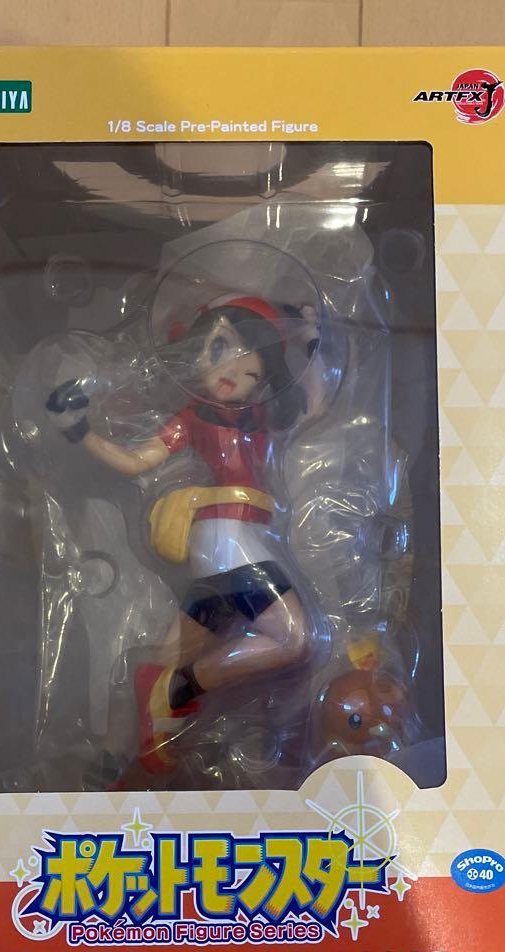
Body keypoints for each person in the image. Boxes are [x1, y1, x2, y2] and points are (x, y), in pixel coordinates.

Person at [47, 295, 322, 774]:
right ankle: (180, 689)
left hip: (237, 540)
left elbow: (314, 407)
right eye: (217, 348)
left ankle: (126, 746)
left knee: (173, 652)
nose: (229, 366)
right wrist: (78, 430)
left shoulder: (262, 417)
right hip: (225, 538)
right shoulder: (193, 419)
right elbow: (135, 460)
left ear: (265, 363)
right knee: (293, 639)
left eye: (246, 352)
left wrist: (313, 340)